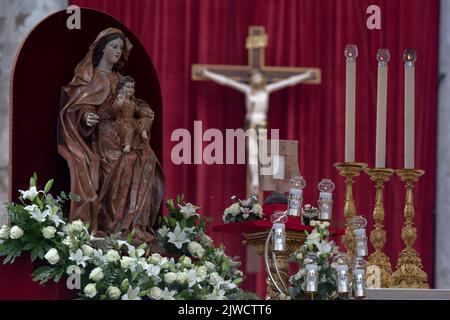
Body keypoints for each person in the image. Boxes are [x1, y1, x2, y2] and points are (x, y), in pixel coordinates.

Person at [58, 28, 164, 244]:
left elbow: (132, 101)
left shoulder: (119, 78)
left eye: (120, 48)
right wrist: (86, 117)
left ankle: (134, 226)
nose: (118, 51)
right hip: (101, 135)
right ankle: (112, 224)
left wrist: (144, 111)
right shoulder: (90, 77)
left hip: (123, 129)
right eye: (114, 47)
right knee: (123, 159)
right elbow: (77, 106)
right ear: (102, 49)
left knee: (147, 157)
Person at [197, 67, 313, 195]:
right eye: (254, 77)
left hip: (261, 123)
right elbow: (227, 81)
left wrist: (305, 75)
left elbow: (287, 82)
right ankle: (255, 181)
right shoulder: (248, 90)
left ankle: (262, 179)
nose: (256, 79)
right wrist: (207, 73)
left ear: (262, 79)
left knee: (262, 154)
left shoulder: (266, 90)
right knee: (252, 153)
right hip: (250, 124)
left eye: (258, 76)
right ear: (251, 80)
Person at [111, 76, 154, 153]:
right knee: (129, 129)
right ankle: (127, 145)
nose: (130, 89)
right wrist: (121, 100)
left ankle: (143, 131)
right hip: (122, 122)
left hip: (132, 121)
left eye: (132, 87)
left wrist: (148, 113)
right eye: (128, 87)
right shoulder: (120, 100)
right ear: (121, 89)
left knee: (145, 119)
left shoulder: (132, 103)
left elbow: (139, 111)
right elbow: (116, 108)